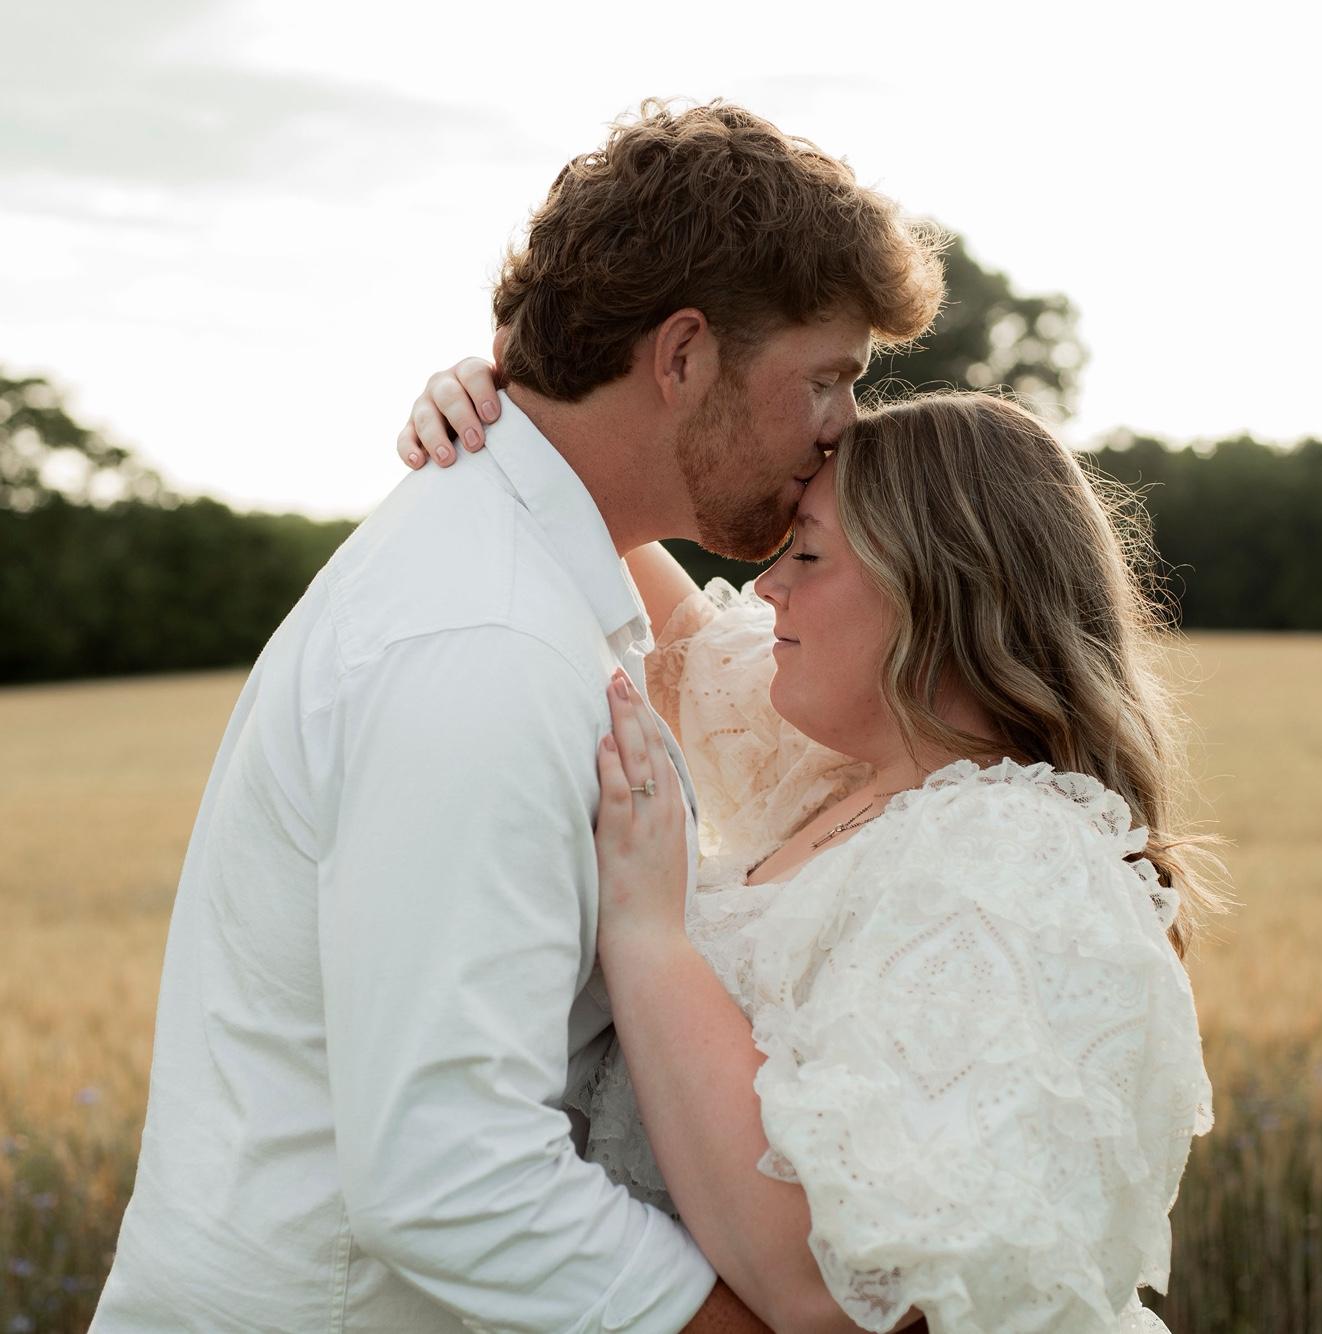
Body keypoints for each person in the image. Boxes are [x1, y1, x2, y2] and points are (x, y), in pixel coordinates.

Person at [91, 101, 944, 1332]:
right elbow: (452, 1177)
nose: (842, 429)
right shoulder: (483, 641)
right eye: (825, 379)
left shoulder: (523, 571)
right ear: (682, 355)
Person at [397, 363, 1218, 1332]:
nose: (768, 586)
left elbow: (833, 1287)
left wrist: (648, 936)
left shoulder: (1017, 868)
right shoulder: (854, 767)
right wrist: (518, 420)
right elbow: (676, 641)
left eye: (809, 555)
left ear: (935, 592)